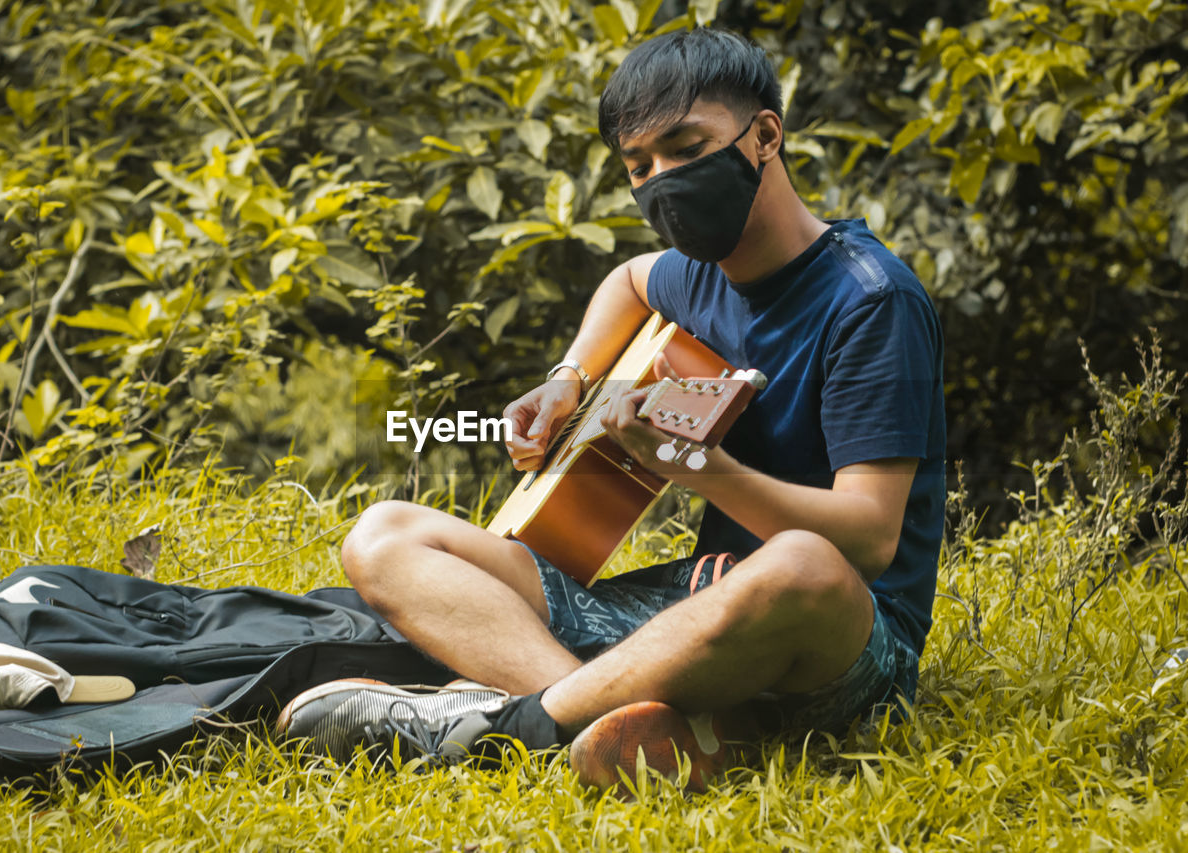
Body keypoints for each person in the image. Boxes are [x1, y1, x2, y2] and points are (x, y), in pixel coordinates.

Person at [276, 26, 946, 792]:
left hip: (842, 638)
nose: (663, 178)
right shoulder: (700, 274)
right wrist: (569, 377)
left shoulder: (871, 300)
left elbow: (869, 538)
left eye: (686, 147)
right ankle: (615, 720)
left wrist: (702, 469)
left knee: (801, 562)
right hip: (706, 594)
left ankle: (512, 727)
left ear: (764, 136)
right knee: (385, 533)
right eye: (640, 166)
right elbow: (628, 281)